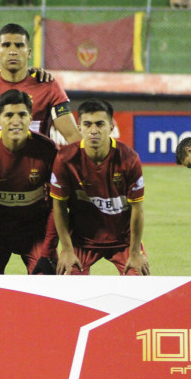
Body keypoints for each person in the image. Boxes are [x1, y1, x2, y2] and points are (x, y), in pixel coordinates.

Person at [51, 99, 149, 276]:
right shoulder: (65, 159)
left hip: (123, 240)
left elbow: (137, 209)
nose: (93, 130)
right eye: (87, 124)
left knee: (139, 281)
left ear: (111, 126)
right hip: (82, 241)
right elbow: (59, 207)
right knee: (68, 287)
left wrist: (135, 252)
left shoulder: (129, 159)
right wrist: (66, 249)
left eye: (100, 124)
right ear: (79, 126)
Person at [0, 90, 59, 275]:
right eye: (9, 115)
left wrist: (48, 251)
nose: (16, 121)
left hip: (35, 232)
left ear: (30, 118)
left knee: (47, 284)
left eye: (22, 115)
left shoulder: (48, 150)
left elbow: (57, 206)